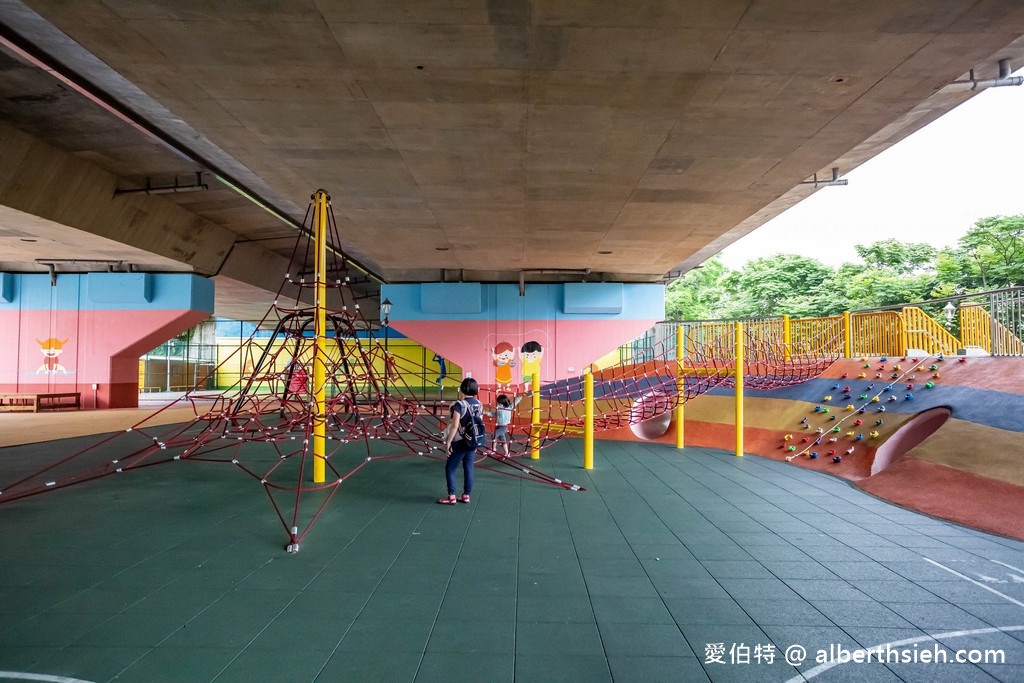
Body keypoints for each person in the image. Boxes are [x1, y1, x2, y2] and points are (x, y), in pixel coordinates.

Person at [439, 377, 483, 505]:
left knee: (450, 468)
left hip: (459, 441)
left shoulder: (459, 405)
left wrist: (448, 441)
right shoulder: (479, 404)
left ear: (462, 389)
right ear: (476, 390)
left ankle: (451, 496)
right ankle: (466, 495)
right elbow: (479, 422)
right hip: (472, 441)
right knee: (468, 467)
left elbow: (454, 425)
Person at [490, 393, 520, 458]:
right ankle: (507, 453)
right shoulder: (498, 408)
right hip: (498, 426)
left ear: (502, 402)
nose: (498, 403)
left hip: (504, 427)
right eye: (498, 402)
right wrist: (485, 412)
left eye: (499, 402)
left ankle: (493, 449)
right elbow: (492, 414)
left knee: (494, 435)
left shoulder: (509, 407)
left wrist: (520, 396)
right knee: (503, 440)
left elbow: (516, 401)